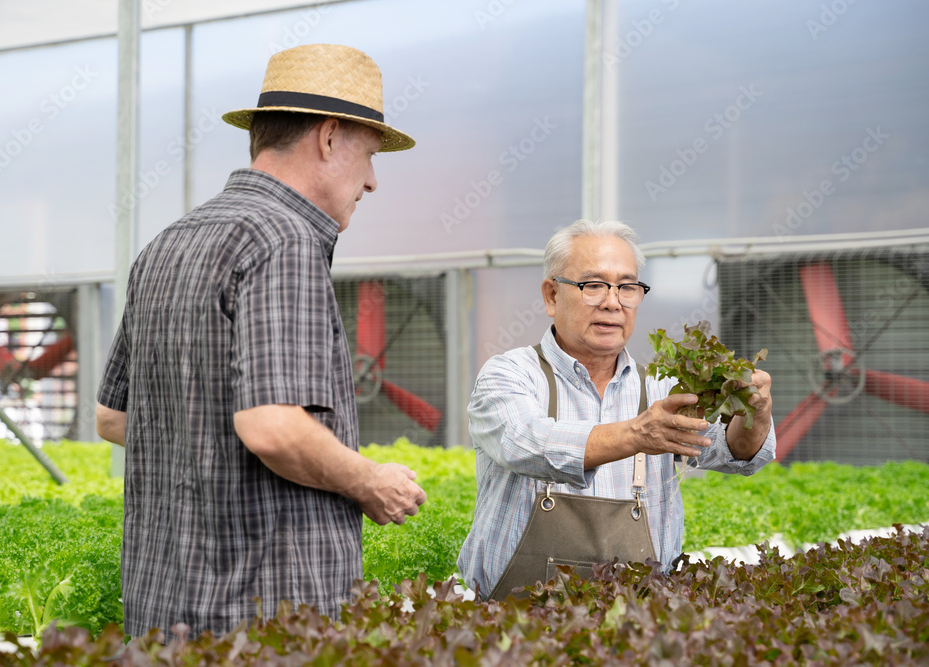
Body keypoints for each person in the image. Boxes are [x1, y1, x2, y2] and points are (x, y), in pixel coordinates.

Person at [94, 43, 427, 638]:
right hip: (263, 620)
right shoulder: (285, 241)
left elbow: (111, 416)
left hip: (160, 611)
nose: (372, 181)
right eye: (370, 156)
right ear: (328, 137)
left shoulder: (167, 242)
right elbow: (271, 426)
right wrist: (369, 480)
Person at [457, 220, 776, 598]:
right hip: (513, 624)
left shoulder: (660, 387)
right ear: (551, 296)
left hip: (636, 623)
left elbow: (735, 453)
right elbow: (524, 442)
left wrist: (754, 411)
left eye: (627, 287)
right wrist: (638, 434)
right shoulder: (510, 374)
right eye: (593, 286)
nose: (612, 302)